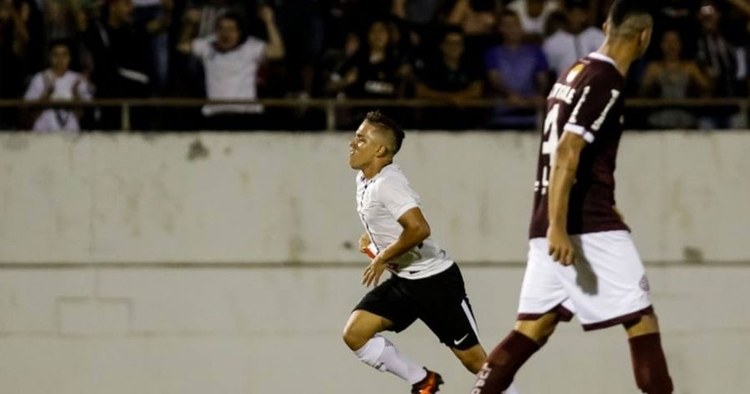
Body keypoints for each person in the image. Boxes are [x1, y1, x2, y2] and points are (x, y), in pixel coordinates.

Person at [470, 1, 674, 393]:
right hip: (582, 225)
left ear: (605, 26)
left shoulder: (575, 71)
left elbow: (573, 153)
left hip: (552, 217)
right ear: (645, 37)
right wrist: (560, 228)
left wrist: (562, 219)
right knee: (641, 320)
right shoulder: (607, 81)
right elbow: (567, 150)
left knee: (533, 327)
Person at [344, 111, 520, 394]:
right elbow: (396, 225)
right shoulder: (365, 179)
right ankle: (422, 380)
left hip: (436, 283)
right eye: (355, 137)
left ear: (380, 150)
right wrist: (375, 239)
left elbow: (419, 229)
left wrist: (382, 256)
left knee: (476, 362)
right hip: (406, 281)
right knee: (355, 333)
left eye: (361, 139)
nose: (352, 144)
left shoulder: (388, 184)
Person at [23, 40, 92, 132]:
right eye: (56, 55)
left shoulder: (78, 79)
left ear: (70, 57)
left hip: (71, 134)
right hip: (43, 132)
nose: (60, 59)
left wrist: (75, 93)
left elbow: (82, 114)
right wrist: (46, 94)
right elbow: (29, 110)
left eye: (64, 55)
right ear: (50, 57)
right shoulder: (39, 78)